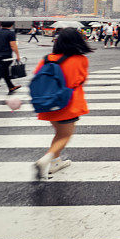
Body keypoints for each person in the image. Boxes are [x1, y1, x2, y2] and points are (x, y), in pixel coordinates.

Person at [32, 28, 92, 179]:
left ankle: (55, 162)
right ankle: (46, 159)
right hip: (68, 104)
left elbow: (37, 76)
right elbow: (82, 80)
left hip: (47, 103)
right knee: (65, 136)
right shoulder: (80, 60)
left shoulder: (47, 58)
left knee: (59, 133)